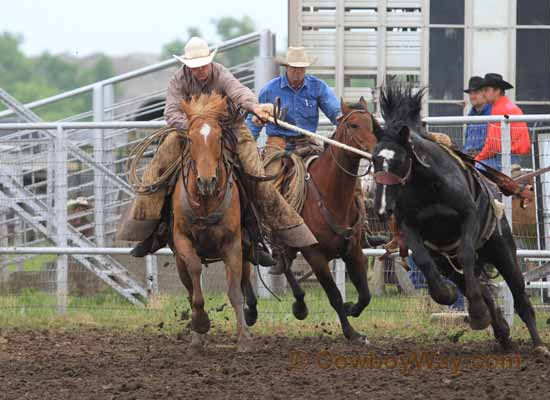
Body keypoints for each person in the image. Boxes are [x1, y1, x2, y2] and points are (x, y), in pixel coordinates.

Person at [117, 37, 318, 260]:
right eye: (195, 66)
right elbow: (171, 113)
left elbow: (239, 92)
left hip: (231, 129)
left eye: (203, 65)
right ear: (187, 65)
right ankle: (154, 230)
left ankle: (262, 234)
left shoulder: (221, 73)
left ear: (210, 62)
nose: (200, 70)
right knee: (157, 171)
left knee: (256, 175)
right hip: (189, 133)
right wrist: (197, 127)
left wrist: (255, 108)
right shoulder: (178, 80)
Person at [246, 47, 387, 274]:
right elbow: (253, 122)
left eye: (302, 68)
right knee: (268, 186)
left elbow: (335, 112)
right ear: (287, 68)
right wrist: (247, 145)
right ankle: (276, 242)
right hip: (277, 144)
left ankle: (364, 231)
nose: (298, 72)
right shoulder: (269, 90)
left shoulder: (317, 87)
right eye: (294, 68)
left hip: (307, 142)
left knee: (346, 175)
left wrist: (347, 118)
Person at [475, 73, 531, 171]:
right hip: (516, 157)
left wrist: (477, 159)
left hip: (506, 158)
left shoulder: (500, 109)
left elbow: (493, 145)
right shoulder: (507, 106)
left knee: (475, 168)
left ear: (497, 91)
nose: (483, 93)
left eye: (486, 90)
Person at [463, 76, 491, 157]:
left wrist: (479, 154)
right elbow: (467, 142)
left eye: (476, 92)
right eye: (470, 93)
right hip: (469, 158)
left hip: (488, 159)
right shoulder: (469, 116)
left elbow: (495, 145)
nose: (472, 96)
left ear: (484, 93)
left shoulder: (493, 114)